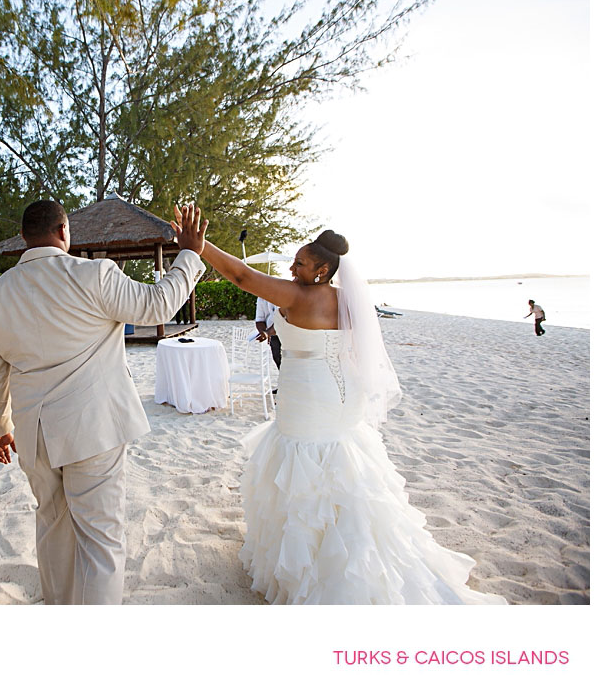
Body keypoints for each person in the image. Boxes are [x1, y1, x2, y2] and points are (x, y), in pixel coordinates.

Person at [175, 207, 506, 604]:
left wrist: (200, 246)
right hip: (343, 397)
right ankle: (348, 552)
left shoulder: (297, 294)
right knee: (340, 469)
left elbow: (242, 277)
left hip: (308, 398)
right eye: (294, 261)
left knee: (304, 470)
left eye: (301, 263)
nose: (293, 268)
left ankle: (315, 569)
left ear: (321, 271)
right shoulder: (349, 300)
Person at [0, 200, 207, 604]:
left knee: (52, 528)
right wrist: (188, 254)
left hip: (34, 435)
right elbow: (157, 305)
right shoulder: (95, 275)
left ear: (26, 238)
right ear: (64, 230)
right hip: (93, 430)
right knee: (100, 541)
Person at [254, 296, 281, 368]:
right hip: (273, 336)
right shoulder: (261, 297)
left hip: (289, 334)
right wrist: (263, 332)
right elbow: (259, 320)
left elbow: (282, 319)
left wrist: (267, 333)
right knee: (278, 360)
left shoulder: (284, 290)